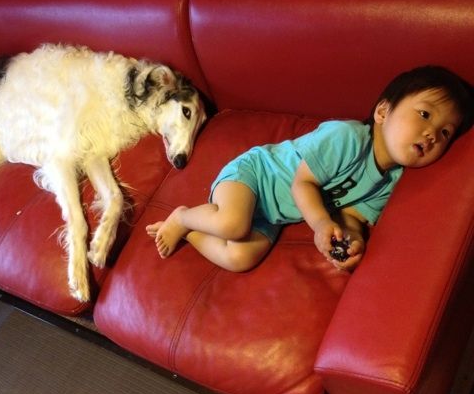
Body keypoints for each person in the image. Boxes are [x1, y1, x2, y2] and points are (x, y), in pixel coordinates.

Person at [146, 66, 474, 272]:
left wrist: (350, 239)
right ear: (383, 112)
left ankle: (191, 232)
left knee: (240, 259)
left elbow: (353, 216)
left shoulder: (391, 181)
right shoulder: (347, 137)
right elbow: (302, 183)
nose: (432, 134)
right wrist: (320, 224)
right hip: (255, 175)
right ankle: (182, 217)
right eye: (425, 115)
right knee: (233, 224)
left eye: (445, 133)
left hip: (274, 215)